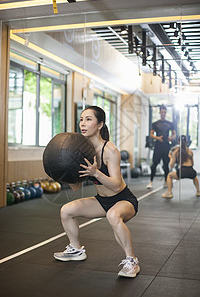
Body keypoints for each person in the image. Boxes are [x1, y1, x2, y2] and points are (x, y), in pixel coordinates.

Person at [54, 106, 140, 278]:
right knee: (66, 211)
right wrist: (64, 174)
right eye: (81, 119)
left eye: (88, 119)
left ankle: (132, 261)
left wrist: (95, 172)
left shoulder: (110, 150)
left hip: (123, 199)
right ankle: (76, 249)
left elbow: (116, 186)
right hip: (102, 201)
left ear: (100, 124)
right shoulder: (79, 151)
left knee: (113, 216)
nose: (83, 124)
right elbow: (76, 187)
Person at [146, 105, 176, 189]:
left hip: (166, 146)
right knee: (154, 164)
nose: (163, 113)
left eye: (164, 112)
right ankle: (151, 182)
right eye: (162, 112)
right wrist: (157, 138)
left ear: (166, 113)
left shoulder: (170, 124)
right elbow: (151, 134)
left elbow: (174, 134)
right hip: (158, 146)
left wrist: (171, 137)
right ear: (159, 112)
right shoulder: (155, 124)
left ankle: (166, 182)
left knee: (166, 165)